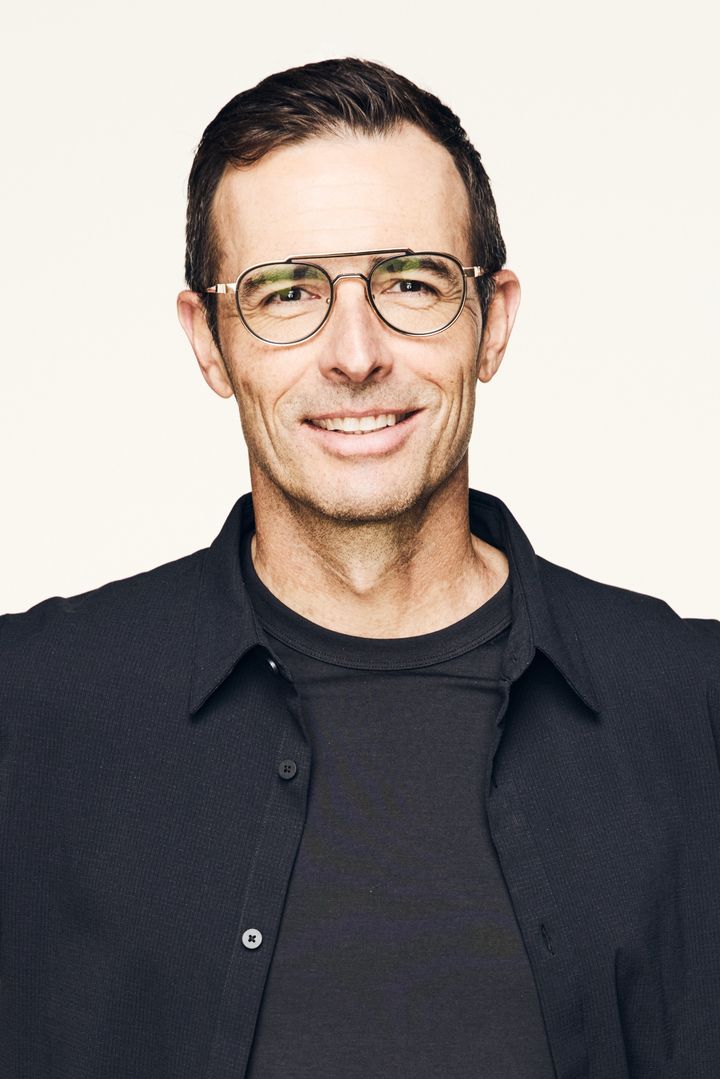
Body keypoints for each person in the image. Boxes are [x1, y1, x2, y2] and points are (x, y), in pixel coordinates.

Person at [1, 57, 719, 1079]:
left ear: (494, 321)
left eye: (412, 282)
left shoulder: (693, 708)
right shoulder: (29, 709)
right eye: (286, 292)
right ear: (208, 342)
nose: (354, 352)